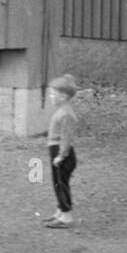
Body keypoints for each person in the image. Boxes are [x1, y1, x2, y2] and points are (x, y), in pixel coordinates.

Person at [44, 75, 80, 229]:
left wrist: (61, 155)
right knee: (58, 183)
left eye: (53, 94)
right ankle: (60, 211)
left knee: (60, 184)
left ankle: (66, 217)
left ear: (63, 97)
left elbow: (66, 138)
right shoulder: (62, 111)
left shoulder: (66, 114)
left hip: (61, 153)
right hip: (56, 150)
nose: (50, 96)